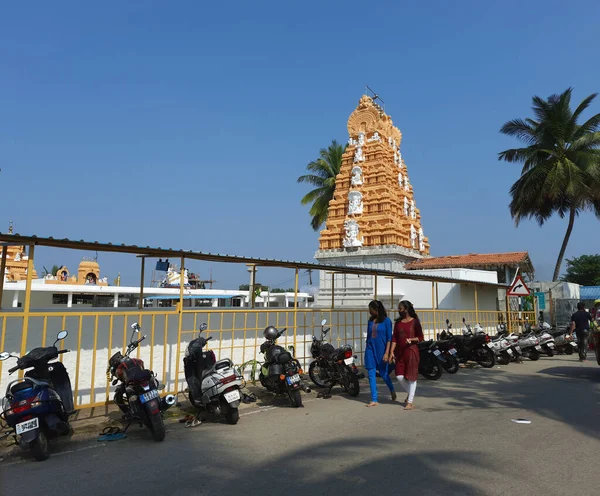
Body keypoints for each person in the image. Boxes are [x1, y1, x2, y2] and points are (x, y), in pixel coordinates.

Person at [389, 300, 423, 410]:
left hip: (411, 351)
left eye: (400, 308)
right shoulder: (398, 323)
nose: (398, 310)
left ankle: (410, 402)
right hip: (399, 353)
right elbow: (394, 338)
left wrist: (412, 340)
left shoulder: (415, 322)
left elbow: (421, 337)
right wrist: (391, 352)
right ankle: (411, 394)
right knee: (399, 376)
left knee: (412, 377)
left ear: (406, 309)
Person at [364, 300, 396, 407]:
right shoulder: (370, 321)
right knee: (371, 373)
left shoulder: (387, 321)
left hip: (382, 350)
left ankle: (391, 389)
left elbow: (389, 339)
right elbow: (369, 336)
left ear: (376, 310)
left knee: (383, 373)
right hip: (370, 349)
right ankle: (374, 399)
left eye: (371, 309)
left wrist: (387, 353)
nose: (369, 312)